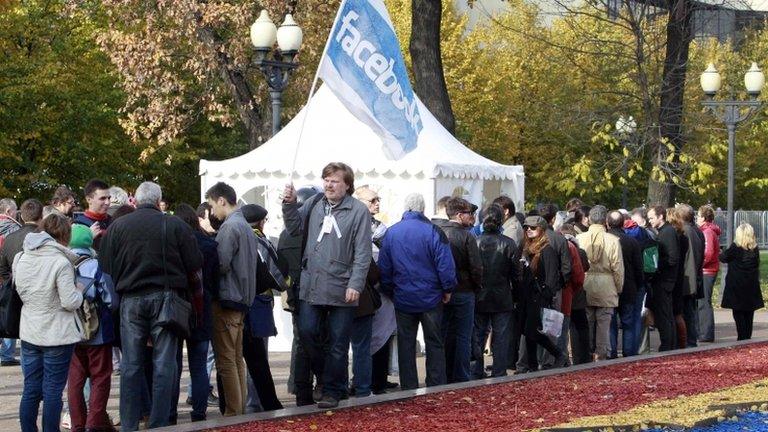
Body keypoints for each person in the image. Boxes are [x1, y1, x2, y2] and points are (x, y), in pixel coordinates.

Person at [99, 181, 202, 431]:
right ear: (159, 201)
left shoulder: (118, 227)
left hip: (131, 299)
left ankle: (130, 424)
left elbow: (106, 267)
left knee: (131, 365)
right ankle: (159, 423)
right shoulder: (174, 224)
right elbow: (194, 262)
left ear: (137, 200)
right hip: (166, 298)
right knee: (164, 364)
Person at [282, 162, 372, 409]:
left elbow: (363, 253)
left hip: (343, 287)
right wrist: (289, 205)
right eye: (326, 180)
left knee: (338, 342)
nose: (329, 185)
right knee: (308, 332)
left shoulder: (358, 211)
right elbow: (293, 228)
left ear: (347, 185)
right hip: (312, 284)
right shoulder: (314, 204)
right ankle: (324, 375)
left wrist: (356, 283)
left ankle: (332, 390)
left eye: (335, 181)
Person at [13, 214, 84, 432]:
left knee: (31, 388)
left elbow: (18, 290)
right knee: (53, 390)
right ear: (65, 235)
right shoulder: (60, 262)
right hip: (57, 333)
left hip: (30, 330)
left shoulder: (22, 257)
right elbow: (69, 301)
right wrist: (80, 290)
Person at [378, 193, 456, 390]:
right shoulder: (433, 231)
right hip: (431, 297)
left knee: (406, 344)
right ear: (423, 209)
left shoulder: (392, 233)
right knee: (434, 342)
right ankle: (436, 383)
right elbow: (445, 265)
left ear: (406, 208)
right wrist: (447, 289)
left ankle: (409, 386)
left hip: (403, 297)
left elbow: (384, 268)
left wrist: (391, 291)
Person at [205, 182, 259, 416]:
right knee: (237, 359)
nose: (211, 211)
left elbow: (222, 264)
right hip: (243, 299)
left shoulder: (230, 227)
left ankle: (233, 412)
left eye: (211, 205)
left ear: (221, 201)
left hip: (228, 300)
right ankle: (239, 409)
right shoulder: (246, 226)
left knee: (226, 360)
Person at [67, 224, 119, 432]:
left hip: (71, 331)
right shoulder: (95, 265)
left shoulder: (62, 263)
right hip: (97, 331)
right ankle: (95, 423)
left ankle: (77, 424)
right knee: (100, 376)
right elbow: (110, 299)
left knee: (75, 380)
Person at [276, 187, 323, 405]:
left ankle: (299, 385)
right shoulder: (310, 232)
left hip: (294, 294)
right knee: (318, 342)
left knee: (301, 341)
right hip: (313, 293)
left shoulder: (286, 234)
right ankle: (321, 384)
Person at [173, 203, 217, 421]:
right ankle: (199, 411)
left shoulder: (172, 245)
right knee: (199, 366)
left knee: (173, 365)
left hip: (178, 308)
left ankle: (170, 411)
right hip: (203, 309)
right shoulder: (209, 244)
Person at [432, 197, 482, 383]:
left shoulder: (438, 232)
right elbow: (476, 266)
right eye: (470, 213)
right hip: (463, 290)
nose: (473, 217)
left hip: (443, 291)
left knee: (442, 333)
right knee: (463, 335)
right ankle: (461, 375)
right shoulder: (467, 236)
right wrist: (476, 286)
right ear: (460, 215)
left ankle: (442, 374)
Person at [241, 203, 284, 412]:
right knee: (259, 356)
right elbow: (279, 275)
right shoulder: (261, 241)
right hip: (260, 303)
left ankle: (241, 402)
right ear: (260, 221)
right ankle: (255, 402)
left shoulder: (236, 236)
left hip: (239, 302)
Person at [472, 205, 518, 378]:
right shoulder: (508, 243)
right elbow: (516, 274)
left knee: (477, 335)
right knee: (501, 336)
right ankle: (499, 370)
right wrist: (517, 296)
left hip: (480, 296)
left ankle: (477, 370)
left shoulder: (475, 242)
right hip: (502, 296)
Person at [517, 215, 565, 371]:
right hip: (526, 296)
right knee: (526, 331)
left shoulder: (547, 250)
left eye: (533, 228)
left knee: (532, 331)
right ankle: (532, 365)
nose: (529, 230)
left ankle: (558, 354)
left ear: (542, 230)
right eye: (526, 228)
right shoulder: (526, 248)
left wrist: (546, 296)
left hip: (538, 297)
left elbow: (552, 277)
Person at [0, 199, 44, 367]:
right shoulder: (42, 237)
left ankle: (30, 377)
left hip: (16, 291)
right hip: (39, 292)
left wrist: (11, 283)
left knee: (26, 338)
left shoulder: (11, 238)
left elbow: (2, 268)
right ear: (40, 216)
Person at [576, 206, 623, 361]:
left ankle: (586, 352)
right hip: (606, 284)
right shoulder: (613, 241)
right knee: (604, 324)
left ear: (589, 219)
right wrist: (618, 287)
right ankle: (601, 354)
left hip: (586, 282)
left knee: (587, 321)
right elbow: (618, 268)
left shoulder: (580, 238)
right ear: (605, 221)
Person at [606, 211, 643, 358]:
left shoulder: (605, 241)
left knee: (611, 323)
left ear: (607, 223)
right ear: (623, 223)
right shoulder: (632, 242)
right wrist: (640, 285)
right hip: (629, 288)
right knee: (629, 323)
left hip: (610, 288)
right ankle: (629, 352)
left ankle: (612, 352)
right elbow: (638, 267)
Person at [719, 223, 763, 340]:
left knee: (738, 312)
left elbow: (723, 258)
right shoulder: (755, 249)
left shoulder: (735, 247)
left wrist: (720, 251)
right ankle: (747, 337)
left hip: (737, 285)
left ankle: (742, 337)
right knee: (749, 313)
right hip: (751, 285)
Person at [647, 206, 679, 352]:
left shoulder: (667, 232)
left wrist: (655, 264)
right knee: (665, 314)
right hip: (664, 279)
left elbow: (672, 259)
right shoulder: (665, 232)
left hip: (664, 280)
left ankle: (667, 344)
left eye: (652, 217)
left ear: (661, 217)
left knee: (664, 314)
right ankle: (668, 343)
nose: (650, 221)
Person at [561, 223, 590, 365]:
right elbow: (583, 270)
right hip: (577, 294)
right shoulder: (580, 251)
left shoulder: (557, 247)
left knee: (563, 327)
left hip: (563, 293)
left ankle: (564, 356)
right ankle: (582, 357)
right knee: (580, 326)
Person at [676, 204, 704, 347]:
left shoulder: (687, 231)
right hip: (693, 278)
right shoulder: (696, 230)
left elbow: (690, 258)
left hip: (687, 280)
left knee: (687, 313)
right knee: (689, 312)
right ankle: (690, 341)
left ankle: (689, 342)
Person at [697, 205, 721, 342]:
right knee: (704, 301)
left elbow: (709, 253)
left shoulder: (707, 232)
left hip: (707, 270)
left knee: (704, 302)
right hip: (709, 270)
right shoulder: (709, 231)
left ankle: (706, 333)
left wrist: (699, 264)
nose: (697, 219)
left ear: (703, 217)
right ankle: (705, 332)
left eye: (698, 216)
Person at [666, 208, 689, 349]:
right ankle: (681, 342)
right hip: (680, 275)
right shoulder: (683, 236)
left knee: (674, 312)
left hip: (673, 276)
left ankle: (679, 342)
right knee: (677, 312)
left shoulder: (674, 236)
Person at [74, 179, 112, 251]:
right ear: (88, 200)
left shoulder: (113, 221)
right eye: (102, 198)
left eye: (109, 198)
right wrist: (88, 237)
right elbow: (73, 253)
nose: (107, 202)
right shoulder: (78, 225)